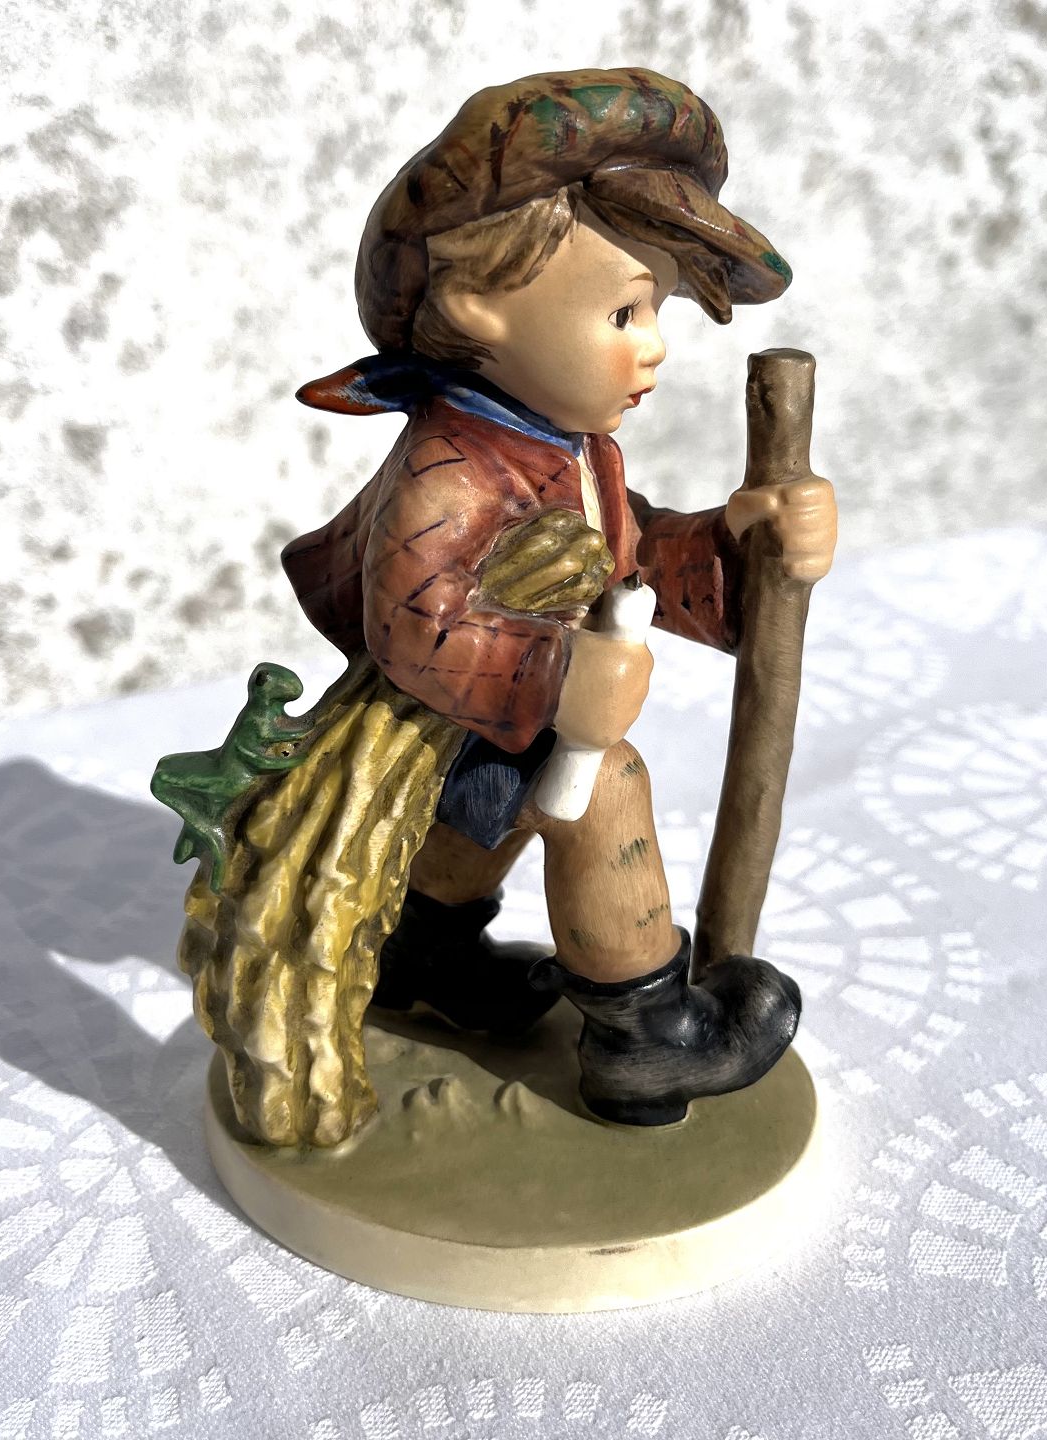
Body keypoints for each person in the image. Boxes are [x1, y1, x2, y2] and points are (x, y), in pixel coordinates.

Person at [283, 69, 838, 1126]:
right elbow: (419, 624)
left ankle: (422, 951)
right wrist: (557, 679)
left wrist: (745, 549)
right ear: (475, 302)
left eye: (657, 307)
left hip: (475, 737)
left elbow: (627, 561)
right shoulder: (451, 471)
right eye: (625, 308)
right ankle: (645, 1036)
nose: (656, 341)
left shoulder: (565, 449)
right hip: (426, 730)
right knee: (602, 785)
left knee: (513, 802)